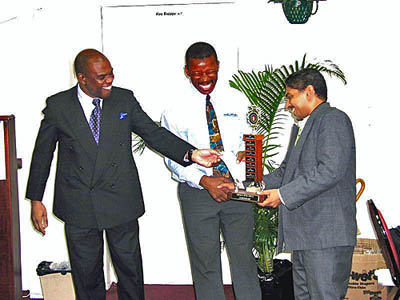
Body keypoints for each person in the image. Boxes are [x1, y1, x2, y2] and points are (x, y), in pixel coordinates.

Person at [26, 48, 221, 300]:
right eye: (101, 77)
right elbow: (43, 153)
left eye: (110, 73)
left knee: (130, 271)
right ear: (82, 78)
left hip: (121, 199)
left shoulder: (123, 100)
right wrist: (36, 199)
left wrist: (191, 154)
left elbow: (153, 133)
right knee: (86, 275)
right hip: (78, 202)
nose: (109, 80)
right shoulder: (59, 106)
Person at [220, 68, 357, 300]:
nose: (286, 104)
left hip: (326, 237)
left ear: (310, 92)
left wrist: (282, 195)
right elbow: (286, 172)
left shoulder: (333, 119)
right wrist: (245, 187)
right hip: (305, 236)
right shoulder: (302, 126)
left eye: (290, 96)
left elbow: (329, 171)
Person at [161, 42, 261, 300]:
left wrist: (245, 157)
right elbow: (173, 158)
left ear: (218, 66)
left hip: (237, 190)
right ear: (187, 71)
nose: (204, 79)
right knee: (205, 264)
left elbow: (251, 139)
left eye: (210, 72)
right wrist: (205, 180)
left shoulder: (238, 100)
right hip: (197, 194)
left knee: (244, 261)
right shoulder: (174, 111)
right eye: (197, 73)